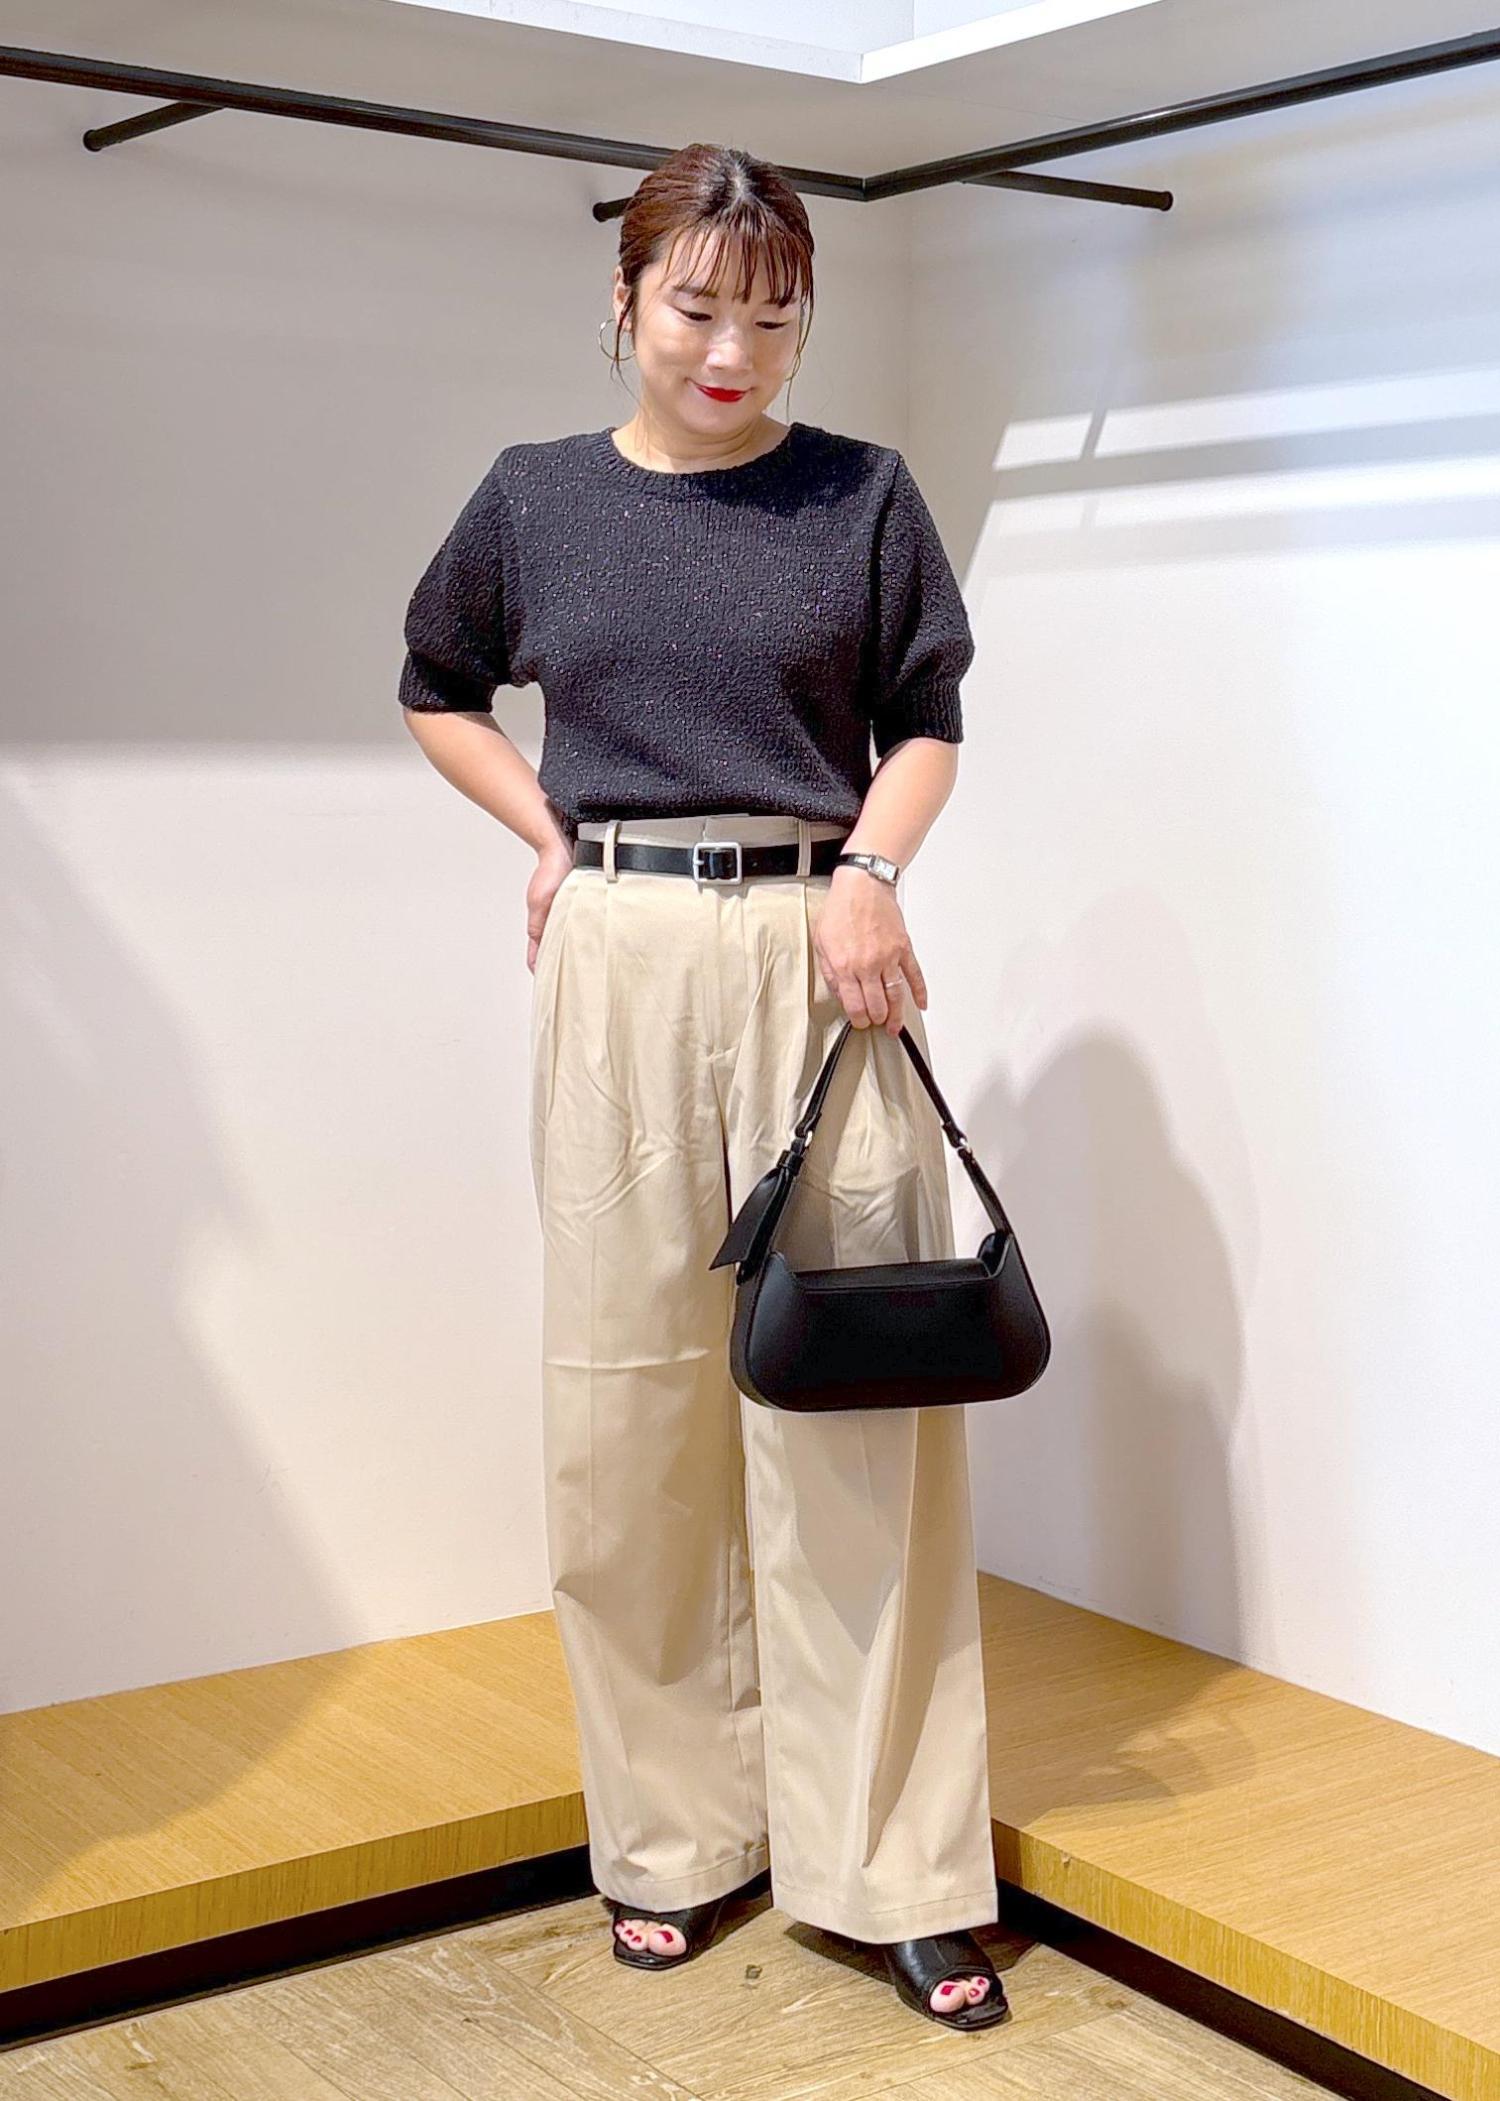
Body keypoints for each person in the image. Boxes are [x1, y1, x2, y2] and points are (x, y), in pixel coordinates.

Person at [397, 141, 1009, 2035]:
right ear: (624, 301)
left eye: (772, 315)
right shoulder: (535, 499)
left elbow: (927, 725)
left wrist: (872, 868)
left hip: (826, 947)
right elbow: (435, 685)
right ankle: (670, 1836)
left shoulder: (862, 494)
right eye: (695, 308)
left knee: (860, 1410)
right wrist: (554, 839)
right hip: (624, 954)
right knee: (628, 1410)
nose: (733, 351)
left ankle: (897, 1867)